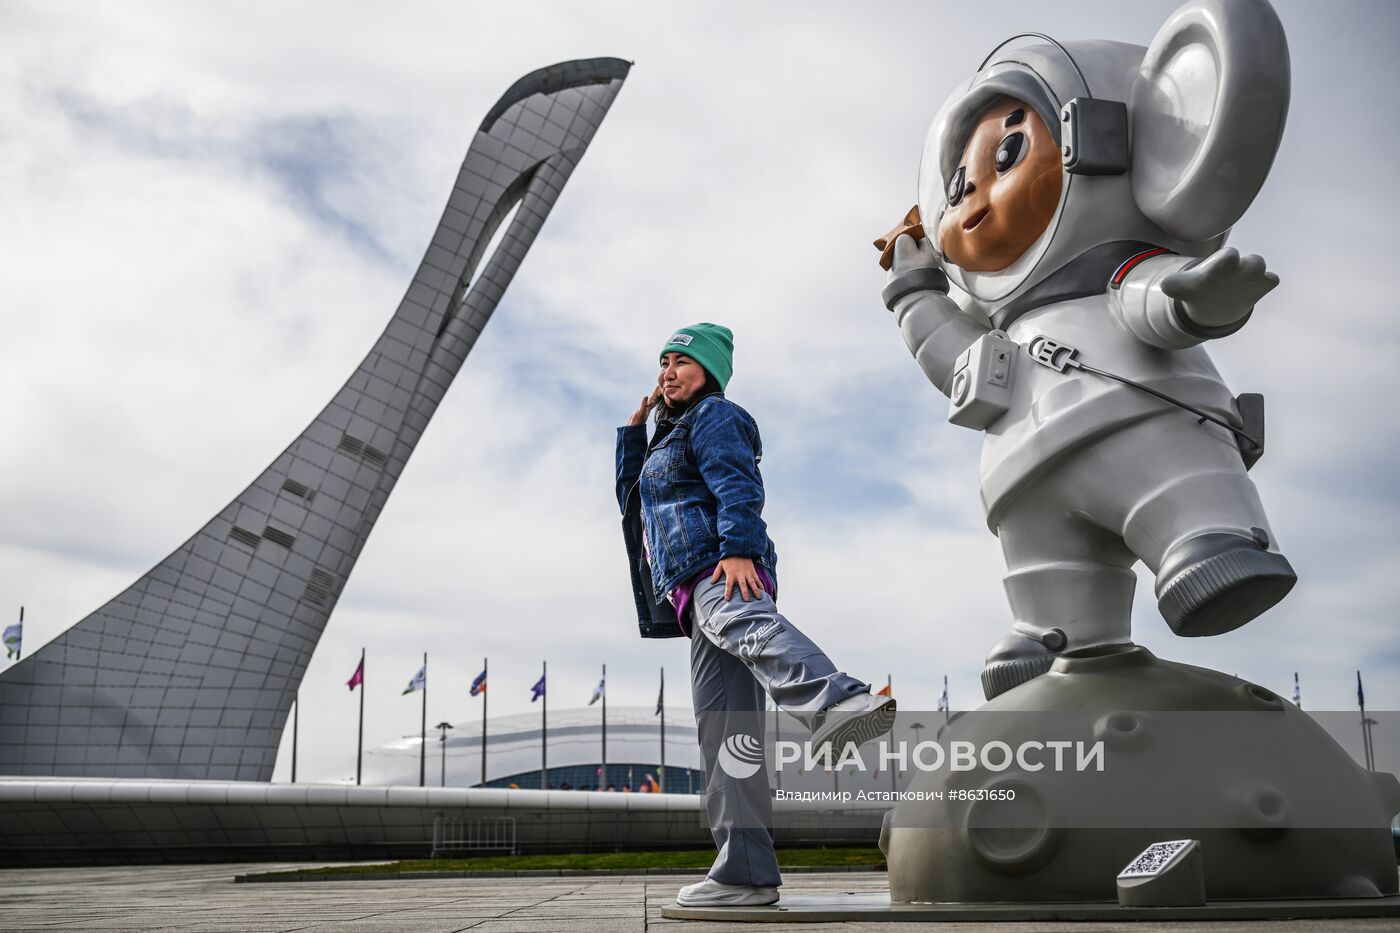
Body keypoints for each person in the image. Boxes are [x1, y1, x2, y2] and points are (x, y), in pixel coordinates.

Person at [615, 323, 895, 908]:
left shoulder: (715, 415)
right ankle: (743, 870)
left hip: (720, 565)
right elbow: (634, 506)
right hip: (690, 590)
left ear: (710, 371)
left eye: (682, 361)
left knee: (745, 625)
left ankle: (839, 702)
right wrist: (634, 436)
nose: (668, 371)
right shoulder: (664, 437)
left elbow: (737, 481)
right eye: (662, 362)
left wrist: (737, 547)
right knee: (724, 735)